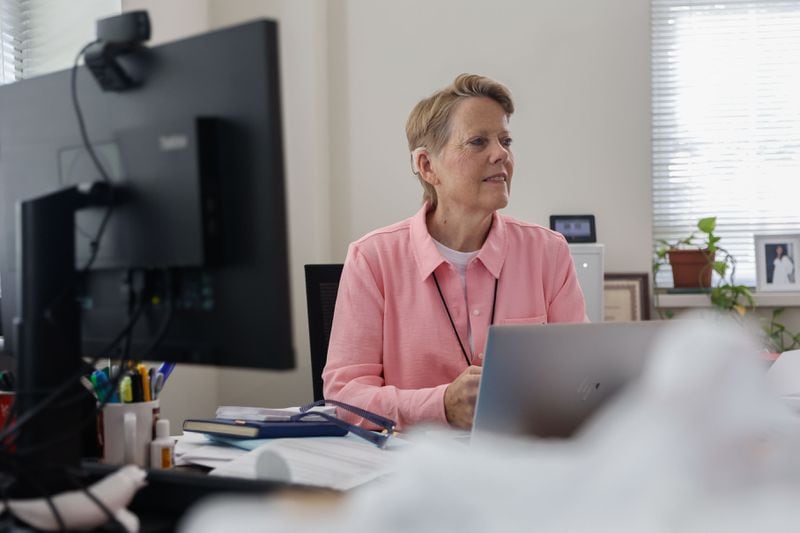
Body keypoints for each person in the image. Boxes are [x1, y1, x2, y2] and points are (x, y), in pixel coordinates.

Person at [322, 74, 587, 431]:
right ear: (427, 166)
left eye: (505, 140)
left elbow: (584, 378)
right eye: (478, 142)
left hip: (525, 463)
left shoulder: (549, 252)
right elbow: (344, 397)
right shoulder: (372, 258)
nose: (501, 154)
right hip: (413, 468)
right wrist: (439, 405)